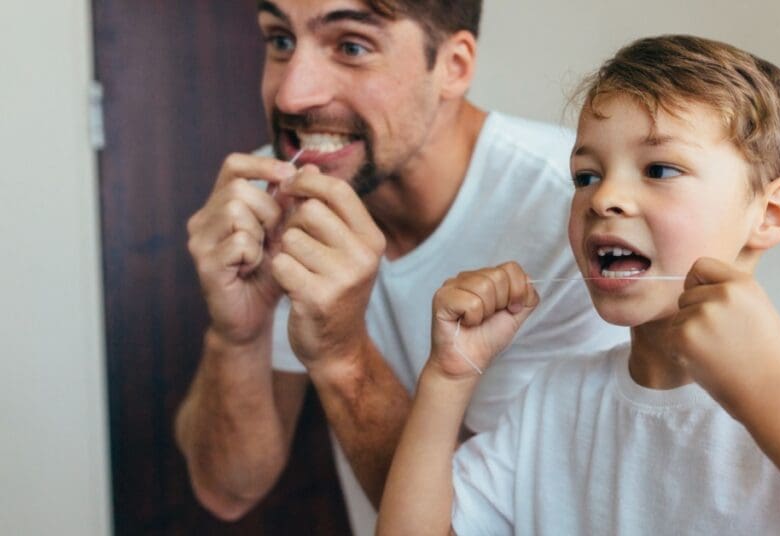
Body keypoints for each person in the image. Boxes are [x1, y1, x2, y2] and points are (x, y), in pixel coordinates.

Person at [377, 35, 780, 535]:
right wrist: (448, 380)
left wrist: (771, 392)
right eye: (586, 176)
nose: (607, 199)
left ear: (769, 214)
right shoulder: (553, 403)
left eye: (659, 168)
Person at [173, 1, 627, 533]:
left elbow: (495, 526)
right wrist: (237, 335)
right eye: (280, 40)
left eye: (351, 47)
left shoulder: (580, 221)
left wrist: (343, 357)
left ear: (453, 66)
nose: (292, 94)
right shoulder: (273, 199)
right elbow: (227, 489)